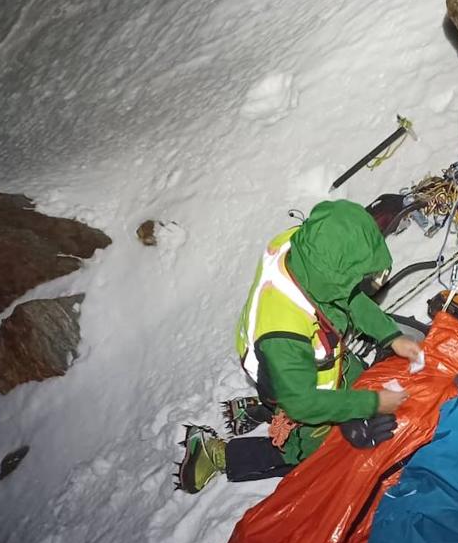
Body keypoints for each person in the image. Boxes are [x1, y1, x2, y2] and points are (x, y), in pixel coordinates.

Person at [176, 200, 422, 494]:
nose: (366, 283)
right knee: (311, 452)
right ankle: (215, 454)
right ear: (332, 278)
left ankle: (264, 409)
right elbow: (303, 403)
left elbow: (347, 295)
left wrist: (390, 336)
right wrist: (370, 405)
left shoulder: (305, 248)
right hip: (289, 377)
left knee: (357, 378)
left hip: (308, 362)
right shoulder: (284, 332)